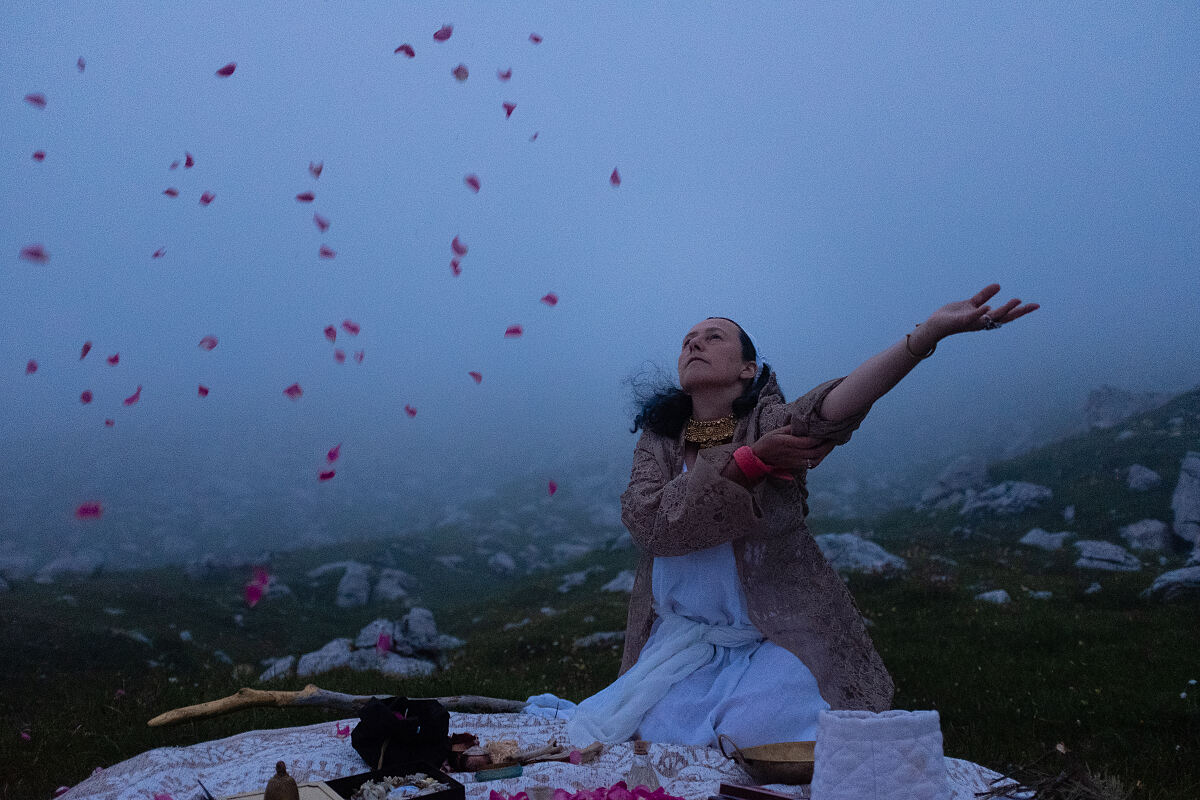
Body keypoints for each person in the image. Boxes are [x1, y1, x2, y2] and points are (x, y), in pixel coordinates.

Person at [565, 284, 1038, 748]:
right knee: (652, 731)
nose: (694, 343)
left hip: (771, 635)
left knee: (756, 731)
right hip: (682, 645)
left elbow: (836, 406)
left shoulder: (770, 422)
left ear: (748, 369)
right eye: (688, 340)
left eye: (714, 337)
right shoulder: (659, 442)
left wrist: (924, 337)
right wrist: (747, 463)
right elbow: (652, 523)